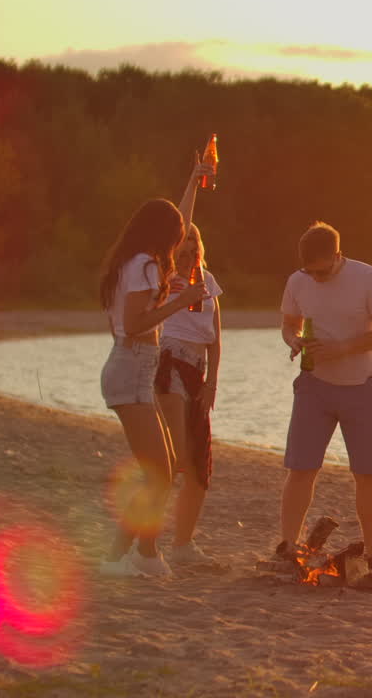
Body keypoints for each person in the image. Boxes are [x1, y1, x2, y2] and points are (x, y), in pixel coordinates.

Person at [97, 159, 212, 577]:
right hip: (131, 368)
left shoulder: (137, 259)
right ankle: (130, 558)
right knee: (160, 473)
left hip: (137, 370)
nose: (182, 239)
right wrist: (180, 301)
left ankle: (133, 556)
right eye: (177, 235)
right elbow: (134, 325)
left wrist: (193, 180)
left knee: (162, 469)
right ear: (164, 236)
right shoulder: (145, 265)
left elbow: (181, 219)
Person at [272, 222, 372, 570]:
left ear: (337, 255)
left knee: (368, 474)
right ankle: (288, 545)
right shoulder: (297, 281)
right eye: (309, 270)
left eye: (321, 270)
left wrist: (343, 348)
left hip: (362, 387)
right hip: (313, 387)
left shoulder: (369, 277)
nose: (315, 277)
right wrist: (294, 340)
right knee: (300, 468)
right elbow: (290, 323)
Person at [156, 221, 222, 566]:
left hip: (198, 372)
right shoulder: (164, 277)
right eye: (184, 241)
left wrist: (212, 382)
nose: (190, 246)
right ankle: (144, 541)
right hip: (168, 363)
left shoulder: (207, 281)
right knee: (174, 457)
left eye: (195, 239)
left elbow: (215, 337)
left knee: (199, 467)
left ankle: (182, 545)